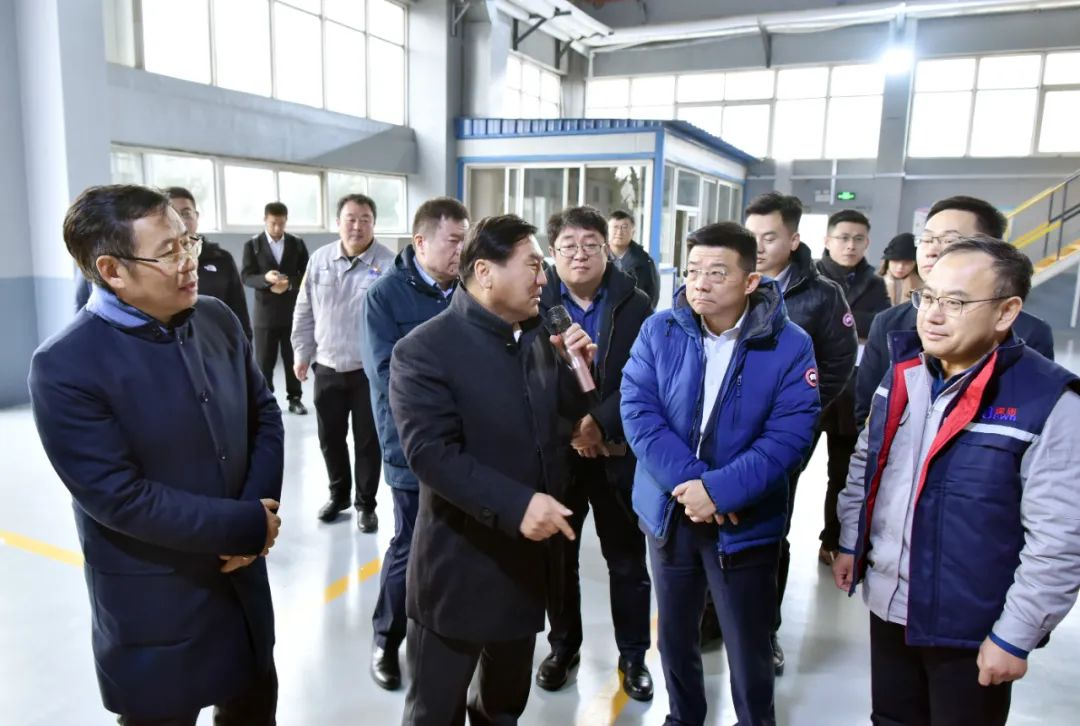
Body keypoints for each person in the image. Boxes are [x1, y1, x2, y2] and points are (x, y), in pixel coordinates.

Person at [29, 184, 283, 725]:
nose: (189, 260)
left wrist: (258, 515)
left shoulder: (216, 319)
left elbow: (264, 415)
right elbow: (119, 498)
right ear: (112, 270)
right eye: (169, 251)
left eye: (188, 241)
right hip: (158, 611)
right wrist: (243, 526)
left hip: (241, 591)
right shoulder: (65, 367)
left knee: (253, 707)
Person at [834, 237, 1080, 725]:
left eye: (956, 303)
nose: (933, 314)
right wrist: (850, 543)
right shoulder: (905, 374)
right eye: (927, 297)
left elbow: (1060, 539)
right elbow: (867, 464)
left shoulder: (1048, 401)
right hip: (891, 607)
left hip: (972, 627)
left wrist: (1014, 636)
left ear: (1007, 311)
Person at [389, 214, 595, 725]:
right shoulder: (423, 351)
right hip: (458, 568)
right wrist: (518, 505)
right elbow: (432, 455)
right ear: (485, 271)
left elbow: (559, 424)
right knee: (434, 713)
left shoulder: (535, 339)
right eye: (533, 266)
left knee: (502, 709)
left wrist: (577, 370)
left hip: (524, 568)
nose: (544, 278)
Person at [621, 221, 821, 726]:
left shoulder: (789, 344)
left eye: (716, 272)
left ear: (750, 281)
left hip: (744, 519)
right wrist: (693, 486)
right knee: (674, 636)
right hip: (671, 513)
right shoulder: (659, 330)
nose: (700, 284)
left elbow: (790, 434)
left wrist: (721, 490)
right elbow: (638, 412)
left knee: (748, 641)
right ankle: (683, 717)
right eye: (692, 271)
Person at [535, 207, 654, 701]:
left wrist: (600, 422)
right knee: (558, 558)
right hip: (559, 453)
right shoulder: (534, 301)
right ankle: (563, 647)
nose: (580, 254)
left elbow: (646, 376)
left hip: (616, 450)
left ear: (608, 249)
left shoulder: (635, 303)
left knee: (626, 560)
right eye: (569, 246)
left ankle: (633, 655)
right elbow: (525, 378)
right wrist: (572, 430)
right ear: (553, 253)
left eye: (591, 244)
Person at [743, 191, 858, 673]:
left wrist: (799, 415)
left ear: (793, 239)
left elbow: (839, 361)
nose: (758, 246)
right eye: (751, 236)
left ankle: (764, 629)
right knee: (718, 522)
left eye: (769, 237)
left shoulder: (823, 294)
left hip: (785, 436)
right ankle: (713, 618)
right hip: (727, 433)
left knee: (771, 527)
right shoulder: (731, 280)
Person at [361, 197, 470, 691]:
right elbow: (388, 376)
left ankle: (448, 635)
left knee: (459, 544)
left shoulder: (467, 291)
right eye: (453, 241)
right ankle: (386, 639)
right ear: (421, 242)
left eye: (466, 241)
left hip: (465, 445)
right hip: (411, 445)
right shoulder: (385, 297)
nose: (462, 251)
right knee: (410, 543)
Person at [855, 195, 1054, 426]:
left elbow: (1029, 423)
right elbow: (867, 414)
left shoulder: (1029, 333)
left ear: (990, 248)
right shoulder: (888, 323)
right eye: (926, 239)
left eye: (950, 240)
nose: (931, 250)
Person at [292, 193, 395, 532]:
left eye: (365, 219)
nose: (357, 226)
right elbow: (304, 309)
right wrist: (301, 352)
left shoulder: (389, 265)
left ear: (374, 224)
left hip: (368, 371)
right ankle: (338, 496)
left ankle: (366, 504)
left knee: (368, 441)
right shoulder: (319, 260)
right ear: (338, 222)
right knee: (330, 438)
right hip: (327, 365)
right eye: (351, 218)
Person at [815, 210, 890, 565]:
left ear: (867, 243)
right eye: (843, 238)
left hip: (853, 391)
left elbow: (881, 326)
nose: (850, 245)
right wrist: (854, 323)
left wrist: (835, 319)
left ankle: (832, 541)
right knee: (787, 470)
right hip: (810, 388)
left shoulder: (875, 283)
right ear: (827, 241)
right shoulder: (811, 277)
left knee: (843, 474)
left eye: (858, 239)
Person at [242, 201, 311, 415]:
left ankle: (295, 399)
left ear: (286, 221)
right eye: (273, 223)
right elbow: (246, 276)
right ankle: (266, 402)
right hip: (265, 315)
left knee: (292, 358)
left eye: (281, 223)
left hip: (292, 312)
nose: (277, 228)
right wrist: (266, 279)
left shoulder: (297, 244)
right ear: (265, 220)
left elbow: (307, 275)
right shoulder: (253, 245)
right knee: (264, 361)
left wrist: (288, 283)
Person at [167, 186, 252, 340]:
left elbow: (239, 312)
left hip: (217, 344)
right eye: (173, 214)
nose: (181, 220)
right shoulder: (158, 263)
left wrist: (245, 348)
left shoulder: (222, 259)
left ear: (196, 216)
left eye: (186, 214)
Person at [608, 209, 660, 308]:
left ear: (633, 232)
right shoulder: (596, 257)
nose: (619, 232)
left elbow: (653, 297)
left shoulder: (645, 261)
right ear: (607, 231)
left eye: (624, 227)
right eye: (615, 227)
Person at [879, 232, 923, 307]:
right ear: (887, 261)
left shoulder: (923, 287)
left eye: (907, 262)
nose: (900, 267)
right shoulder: (874, 283)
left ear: (915, 264)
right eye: (895, 261)